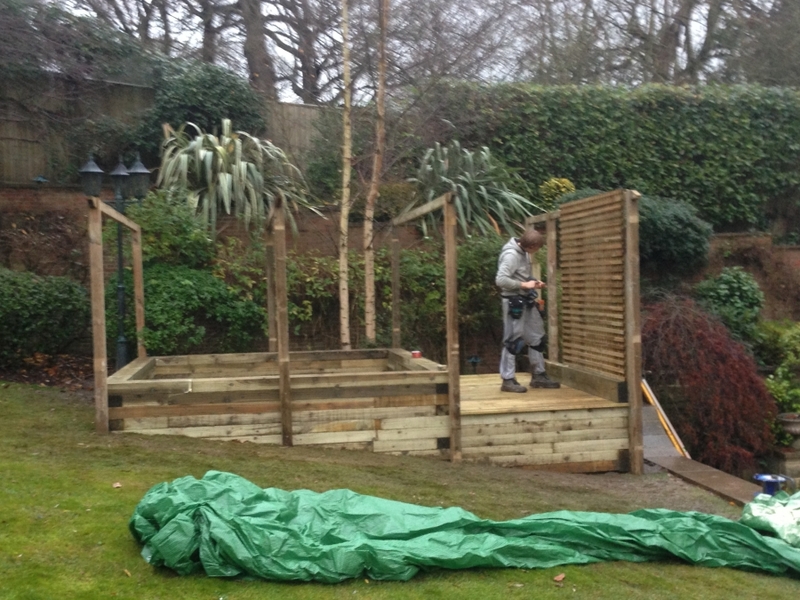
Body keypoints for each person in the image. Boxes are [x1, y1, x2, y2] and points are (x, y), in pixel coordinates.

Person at [495, 228, 560, 393]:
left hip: (527, 300)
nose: (537, 251)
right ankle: (508, 379)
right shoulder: (511, 255)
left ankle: (539, 375)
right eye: (537, 249)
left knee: (537, 337)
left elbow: (520, 275)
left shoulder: (523, 252)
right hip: (513, 301)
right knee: (513, 340)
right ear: (532, 246)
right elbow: (501, 279)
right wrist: (524, 285)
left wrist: (532, 281)